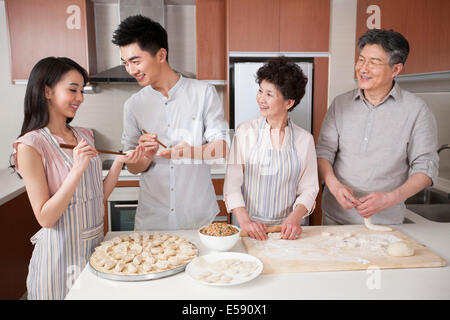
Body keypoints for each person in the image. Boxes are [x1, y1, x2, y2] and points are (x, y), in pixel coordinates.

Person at [10, 57, 142, 299]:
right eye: (73, 89)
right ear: (47, 91)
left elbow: (97, 195)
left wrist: (119, 163)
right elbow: (46, 218)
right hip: (59, 258)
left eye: (82, 90)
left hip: (95, 251)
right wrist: (76, 170)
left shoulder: (84, 135)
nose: (80, 97)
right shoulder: (30, 145)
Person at [112, 15, 229, 230]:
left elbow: (221, 147)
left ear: (161, 55)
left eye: (136, 61)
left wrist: (190, 152)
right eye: (126, 63)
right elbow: (133, 166)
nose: (131, 70)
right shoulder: (134, 105)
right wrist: (144, 156)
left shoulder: (203, 93)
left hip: (197, 216)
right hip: (152, 219)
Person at [316, 29, 439, 225]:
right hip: (335, 219)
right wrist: (334, 186)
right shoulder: (340, 104)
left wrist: (391, 198)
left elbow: (426, 168)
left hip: (385, 223)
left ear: (396, 69)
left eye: (373, 63)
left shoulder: (417, 111)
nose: (363, 68)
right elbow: (323, 152)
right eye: (362, 59)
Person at [223, 57, 319, 240]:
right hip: (248, 228)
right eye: (260, 91)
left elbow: (309, 189)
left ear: (288, 103)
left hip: (286, 231)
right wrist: (245, 222)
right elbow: (232, 183)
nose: (261, 99)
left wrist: (294, 218)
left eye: (269, 94)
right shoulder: (245, 132)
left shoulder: (304, 140)